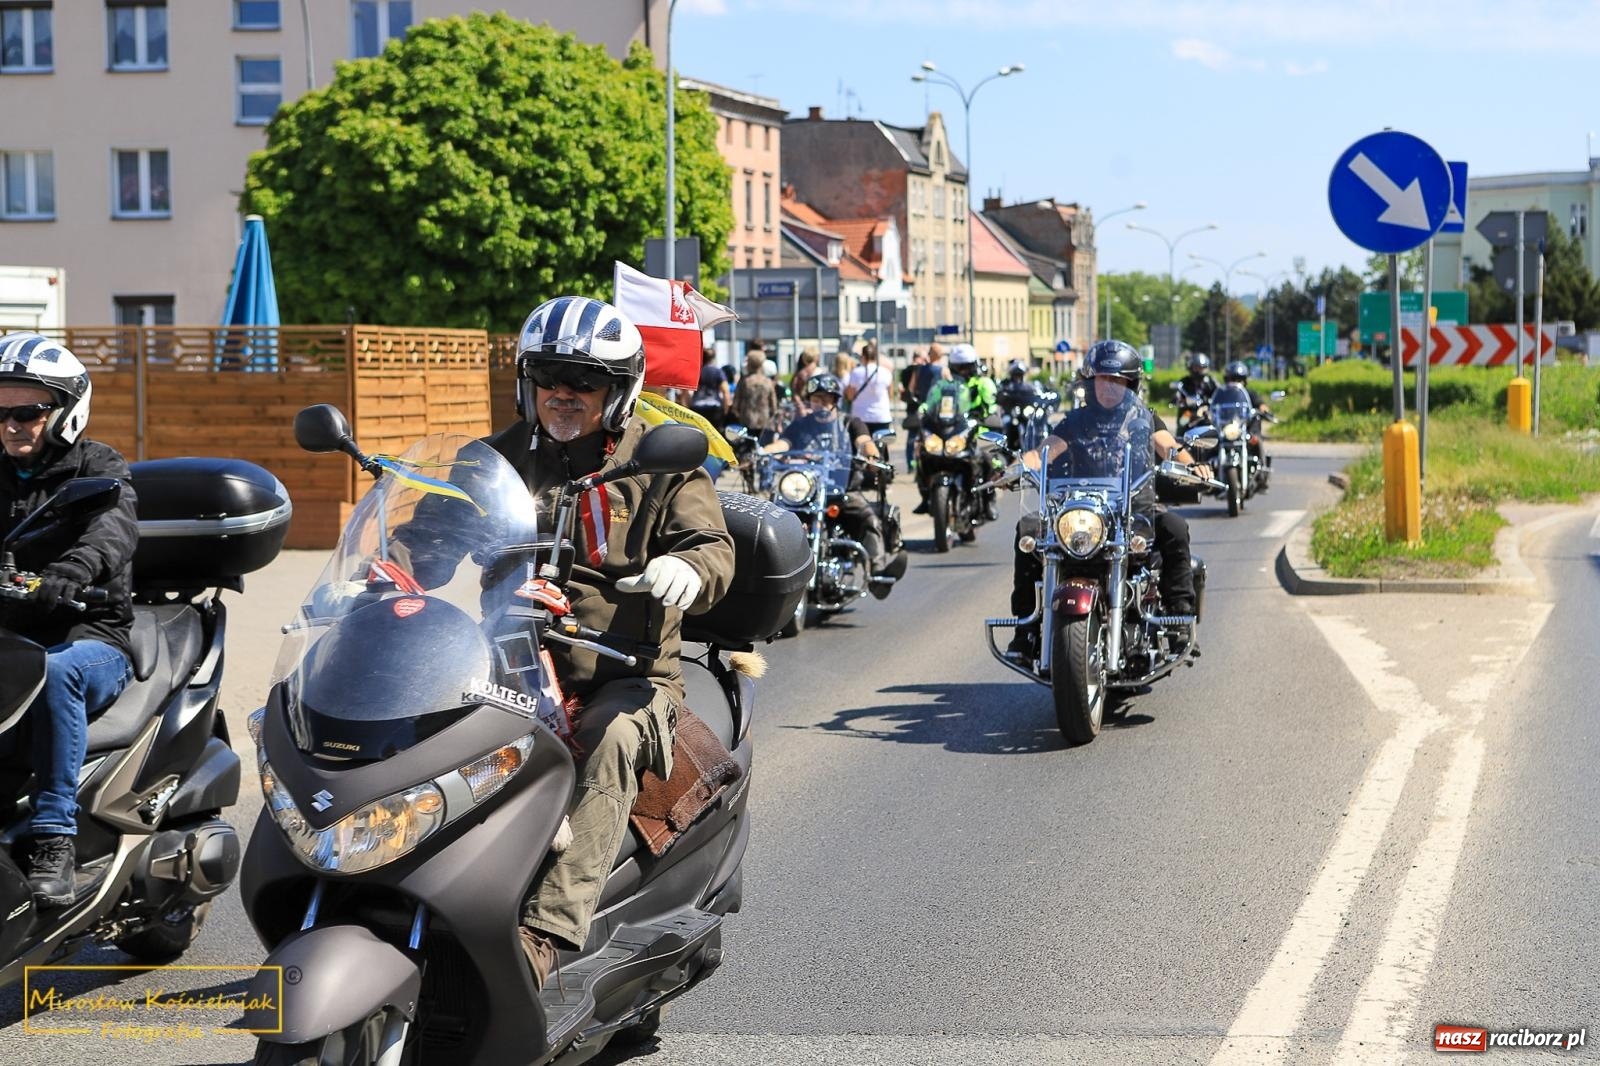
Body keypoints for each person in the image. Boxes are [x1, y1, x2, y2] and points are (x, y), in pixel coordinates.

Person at [487, 298, 736, 989]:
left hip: (624, 677)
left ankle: (543, 937)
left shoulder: (662, 461)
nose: (564, 394)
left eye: (585, 382)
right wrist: (385, 579)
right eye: (549, 377)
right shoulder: (495, 459)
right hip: (502, 666)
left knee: (613, 741)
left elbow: (711, 545)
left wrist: (688, 565)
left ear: (618, 391)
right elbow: (429, 534)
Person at [0, 332, 139, 906]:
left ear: (65, 412)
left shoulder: (98, 466)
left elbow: (114, 529)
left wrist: (73, 570)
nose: (11, 425)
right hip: (13, 635)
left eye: (27, 412)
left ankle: (55, 836)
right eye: (0, 412)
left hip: (89, 635)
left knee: (56, 673)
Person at [1005, 340, 1211, 661]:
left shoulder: (1143, 419)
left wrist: (1191, 465)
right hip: (1084, 510)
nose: (1110, 387)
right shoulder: (1075, 422)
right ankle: (1025, 628)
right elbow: (1045, 450)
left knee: (1174, 527)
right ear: (1090, 382)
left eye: (1118, 381)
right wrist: (1020, 465)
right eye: (1103, 379)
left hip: (1134, 508)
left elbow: (1168, 447)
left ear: (1131, 384)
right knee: (1028, 529)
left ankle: (1179, 619)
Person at [763, 374, 901, 594]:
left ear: (835, 400)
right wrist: (762, 452)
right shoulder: (801, 425)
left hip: (843, 488)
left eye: (827, 398)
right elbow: (783, 443)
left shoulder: (850, 422)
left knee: (868, 518)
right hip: (805, 490)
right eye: (817, 398)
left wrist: (872, 456)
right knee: (775, 517)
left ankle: (878, 573)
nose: (822, 403)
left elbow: (864, 441)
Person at [914, 343, 1001, 514]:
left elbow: (992, 405)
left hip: (976, 430)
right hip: (951, 429)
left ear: (973, 366)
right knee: (923, 453)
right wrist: (923, 411)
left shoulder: (983, 383)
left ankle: (989, 501)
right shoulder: (947, 385)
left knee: (989, 459)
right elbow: (932, 401)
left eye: (966, 367)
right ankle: (926, 497)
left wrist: (987, 416)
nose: (962, 372)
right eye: (958, 368)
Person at [1221, 359, 1272, 483]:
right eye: (1233, 379)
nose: (1236, 383)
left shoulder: (1249, 394)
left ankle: (1262, 472)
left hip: (1246, 428)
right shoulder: (1223, 394)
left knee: (1256, 440)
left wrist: (1263, 410)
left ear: (1245, 381)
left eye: (1239, 380)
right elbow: (1213, 404)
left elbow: (1260, 404)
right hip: (1227, 429)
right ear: (1227, 380)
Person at [844, 342, 894, 435]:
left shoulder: (856, 373)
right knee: (880, 447)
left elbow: (850, 396)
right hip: (881, 416)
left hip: (860, 417)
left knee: (861, 445)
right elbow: (890, 394)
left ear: (863, 356)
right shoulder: (885, 372)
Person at [729, 349, 778, 441]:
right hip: (764, 420)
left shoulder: (744, 381)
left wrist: (738, 414)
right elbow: (774, 405)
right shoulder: (768, 382)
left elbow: (736, 403)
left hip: (747, 420)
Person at [1172, 352, 1218, 434]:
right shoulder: (1184, 382)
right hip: (1189, 411)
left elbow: (1219, 393)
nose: (1199, 371)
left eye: (1202, 368)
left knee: (1217, 424)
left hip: (1207, 411)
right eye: (1197, 368)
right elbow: (1178, 395)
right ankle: (1180, 441)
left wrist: (1210, 401)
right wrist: (1178, 399)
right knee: (1182, 423)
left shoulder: (1211, 381)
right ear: (1190, 367)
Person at [689, 346, 731, 432]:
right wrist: (726, 410)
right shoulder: (718, 372)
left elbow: (685, 392)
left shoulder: (696, 371)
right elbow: (725, 391)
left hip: (697, 408)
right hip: (714, 409)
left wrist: (687, 406)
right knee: (714, 435)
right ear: (713, 358)